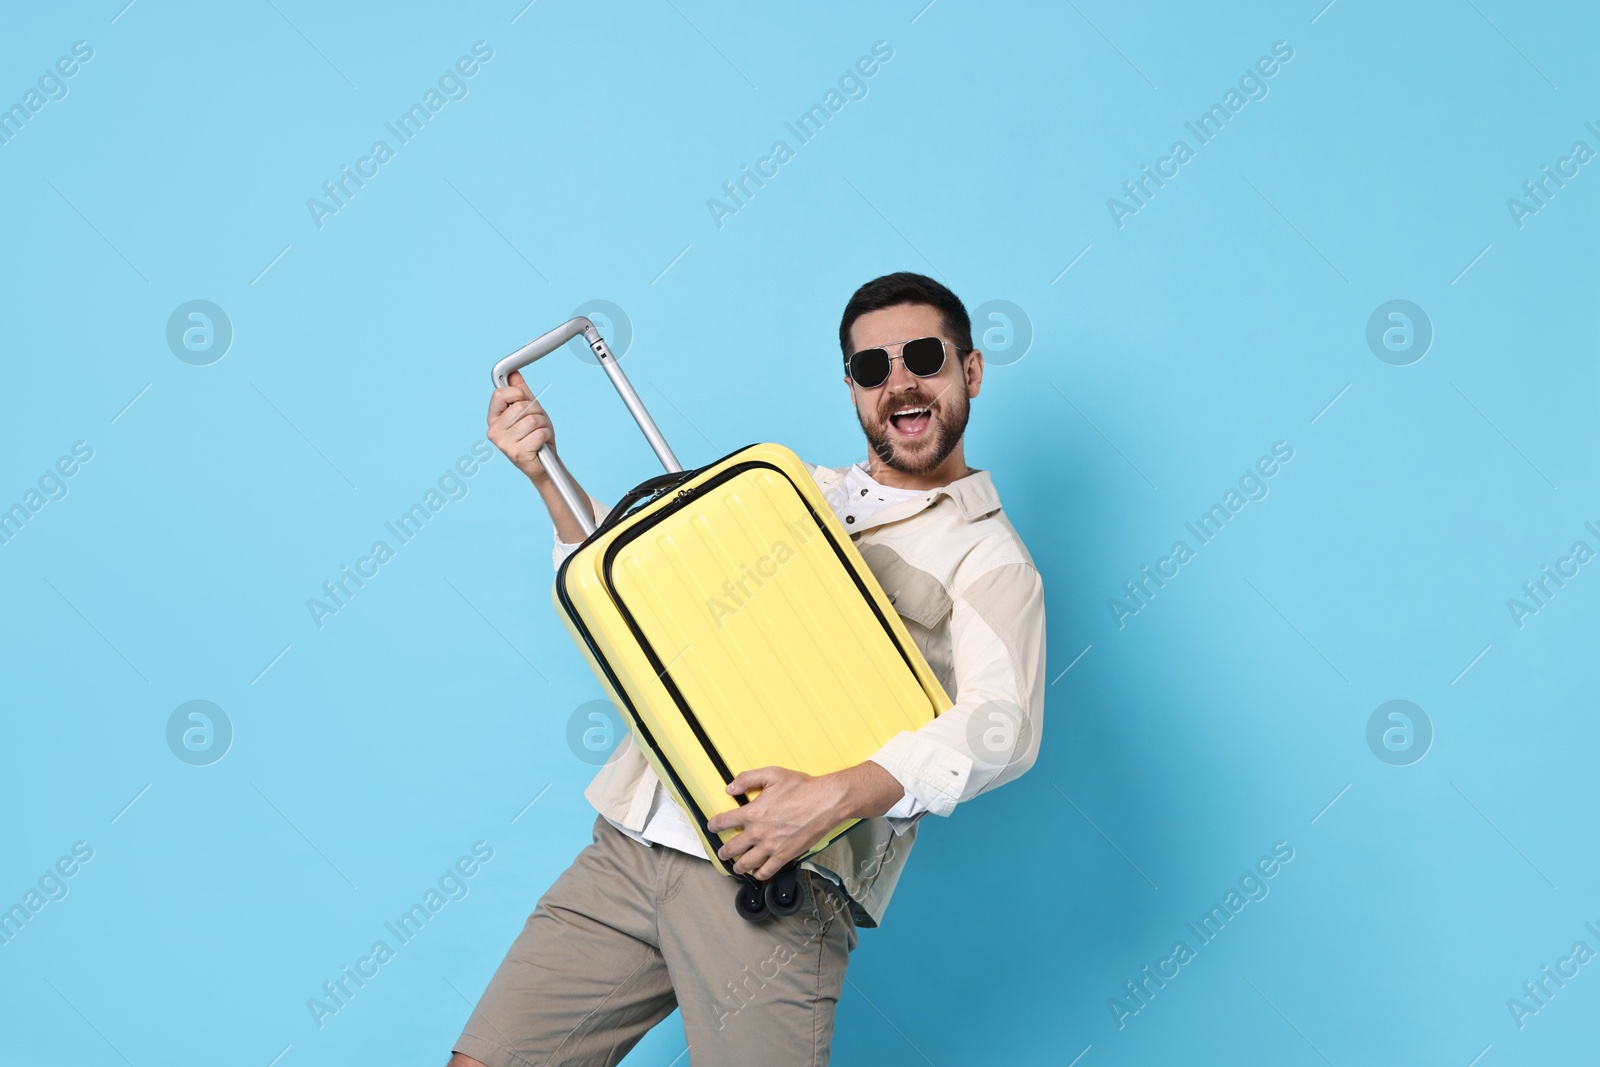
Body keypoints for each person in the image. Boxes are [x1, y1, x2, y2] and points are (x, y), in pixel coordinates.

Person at [450, 272, 1046, 1066]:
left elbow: (1002, 730)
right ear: (853, 389)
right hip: (632, 844)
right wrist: (545, 470)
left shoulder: (989, 557)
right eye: (873, 369)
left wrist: (830, 796)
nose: (900, 383)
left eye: (925, 357)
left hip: (767, 886)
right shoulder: (788, 489)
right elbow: (645, 606)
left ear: (969, 370)